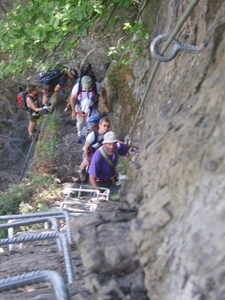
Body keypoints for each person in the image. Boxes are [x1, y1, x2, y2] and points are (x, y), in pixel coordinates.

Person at [88, 131, 137, 195]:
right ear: (104, 144)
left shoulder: (117, 147)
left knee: (127, 190)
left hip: (113, 179)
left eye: (114, 144)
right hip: (101, 184)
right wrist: (100, 193)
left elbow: (129, 148)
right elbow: (91, 177)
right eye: (109, 144)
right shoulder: (97, 158)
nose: (112, 147)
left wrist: (139, 149)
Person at [78, 117, 111, 182]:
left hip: (98, 150)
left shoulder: (107, 134)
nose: (106, 128)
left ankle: (91, 174)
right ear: (100, 125)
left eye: (108, 126)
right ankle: (81, 171)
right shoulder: (92, 135)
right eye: (104, 125)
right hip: (89, 150)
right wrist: (87, 159)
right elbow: (86, 148)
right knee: (86, 162)